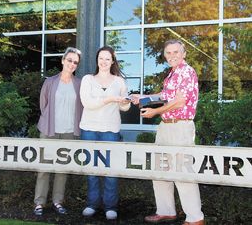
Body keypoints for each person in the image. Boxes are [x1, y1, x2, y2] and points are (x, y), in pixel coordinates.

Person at [132, 39, 204, 225]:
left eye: (175, 52)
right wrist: (144, 97)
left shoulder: (187, 72)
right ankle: (166, 211)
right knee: (160, 168)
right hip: (165, 126)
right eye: (168, 53)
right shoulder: (172, 74)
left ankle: (195, 218)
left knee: (182, 171)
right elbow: (165, 97)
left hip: (180, 126)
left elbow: (180, 102)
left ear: (184, 53)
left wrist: (155, 112)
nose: (172, 56)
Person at [79, 46, 131, 220]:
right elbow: (88, 103)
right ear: (97, 60)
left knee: (111, 170)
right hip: (89, 129)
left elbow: (124, 107)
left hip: (111, 130)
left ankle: (110, 206)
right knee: (91, 169)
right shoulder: (87, 79)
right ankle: (92, 204)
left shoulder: (119, 81)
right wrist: (110, 99)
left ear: (112, 61)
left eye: (107, 59)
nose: (104, 61)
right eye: (101, 58)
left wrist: (124, 102)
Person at [34, 47, 83, 216]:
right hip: (49, 131)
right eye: (69, 60)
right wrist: (49, 121)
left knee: (62, 170)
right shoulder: (50, 82)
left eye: (75, 62)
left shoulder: (79, 84)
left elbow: (81, 108)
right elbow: (43, 104)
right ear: (63, 60)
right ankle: (39, 203)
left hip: (69, 133)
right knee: (44, 168)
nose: (72, 64)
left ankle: (57, 201)